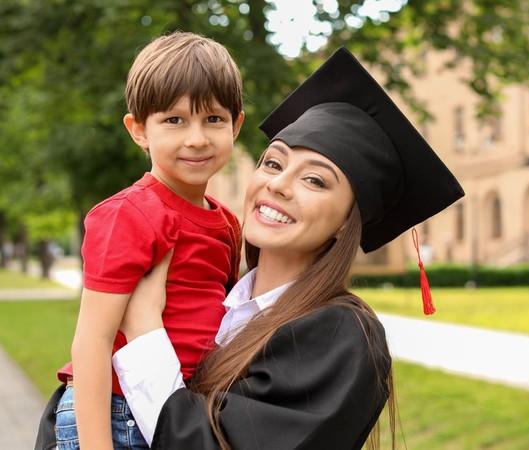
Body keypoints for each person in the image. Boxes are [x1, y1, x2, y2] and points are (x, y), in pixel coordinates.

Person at [36, 47, 463, 450]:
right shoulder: (224, 302)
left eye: (314, 180)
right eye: (273, 163)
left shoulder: (341, 337)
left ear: (346, 222)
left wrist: (146, 328)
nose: (277, 184)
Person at [51, 32, 245, 450]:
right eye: (174, 120)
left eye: (213, 119)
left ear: (237, 124)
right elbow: (92, 339)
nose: (196, 138)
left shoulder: (228, 223)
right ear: (138, 130)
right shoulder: (129, 214)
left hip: (173, 406)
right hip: (116, 411)